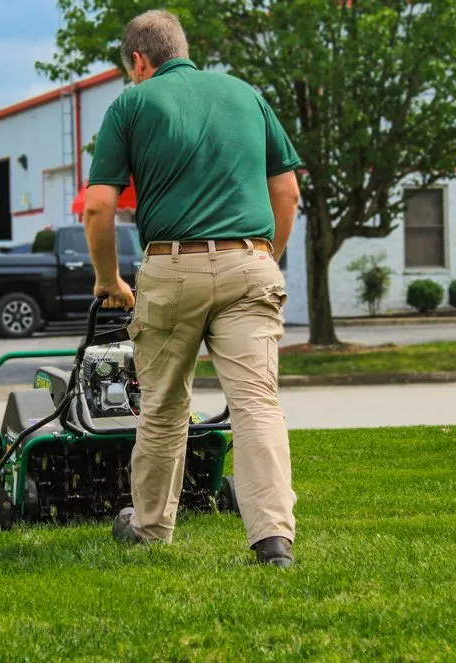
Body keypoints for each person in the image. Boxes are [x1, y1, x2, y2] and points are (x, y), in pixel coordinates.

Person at [82, 9, 303, 568]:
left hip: (170, 269)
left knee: (162, 405)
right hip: (250, 261)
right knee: (257, 403)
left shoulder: (132, 103)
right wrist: (262, 258)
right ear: (183, 48)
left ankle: (151, 528)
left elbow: (100, 205)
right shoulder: (246, 95)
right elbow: (288, 193)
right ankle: (273, 539)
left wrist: (109, 280)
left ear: (138, 60)